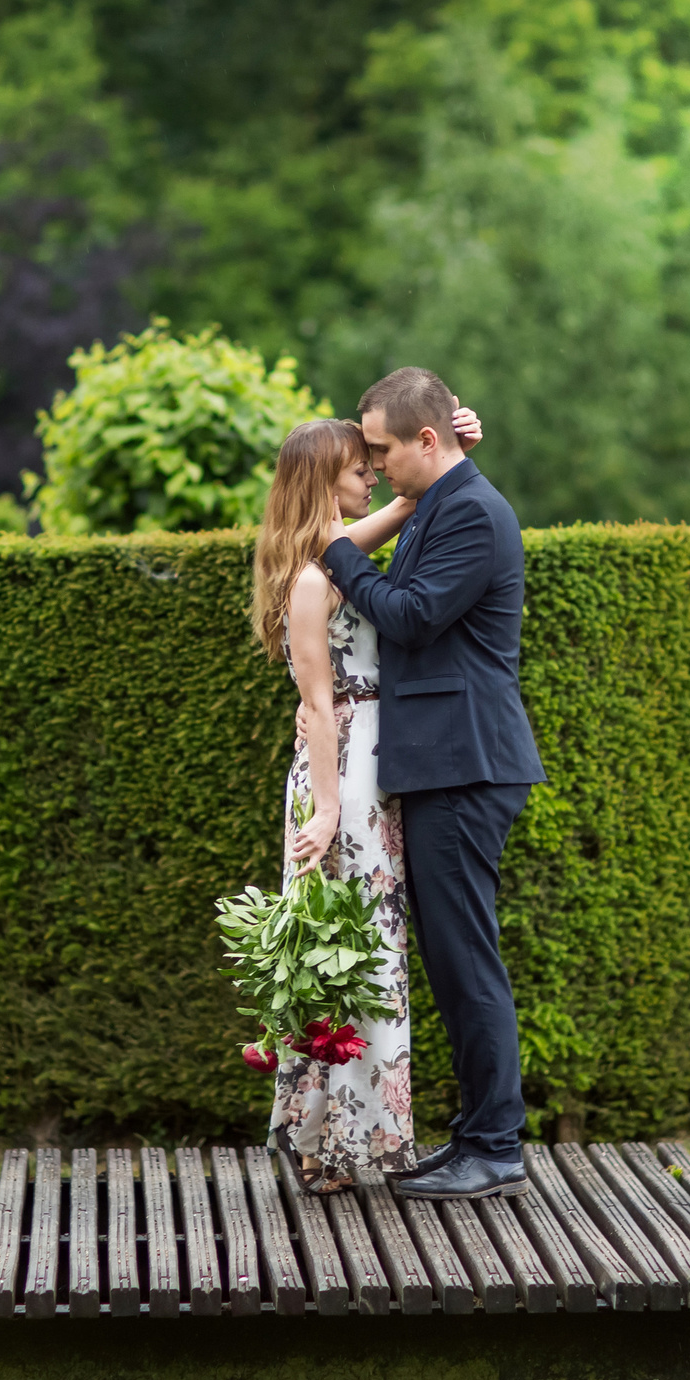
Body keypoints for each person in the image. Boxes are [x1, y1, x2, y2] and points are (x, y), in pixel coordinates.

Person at [317, 367, 545, 1203]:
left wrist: (336, 550)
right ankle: (479, 1138)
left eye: (381, 449)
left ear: (424, 440)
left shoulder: (475, 515)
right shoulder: (446, 498)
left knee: (467, 961)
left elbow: (410, 615)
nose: (373, 465)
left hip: (467, 763)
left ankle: (494, 1145)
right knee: (455, 962)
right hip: (448, 762)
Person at [250, 405, 484, 1194]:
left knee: (365, 955)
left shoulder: (335, 552)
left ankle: (344, 1140)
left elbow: (415, 498)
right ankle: (330, 1143)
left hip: (366, 771)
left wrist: (454, 446)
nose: (372, 476)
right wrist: (323, 811)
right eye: (358, 469)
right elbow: (318, 706)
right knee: (348, 956)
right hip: (343, 776)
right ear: (324, 480)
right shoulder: (318, 576)